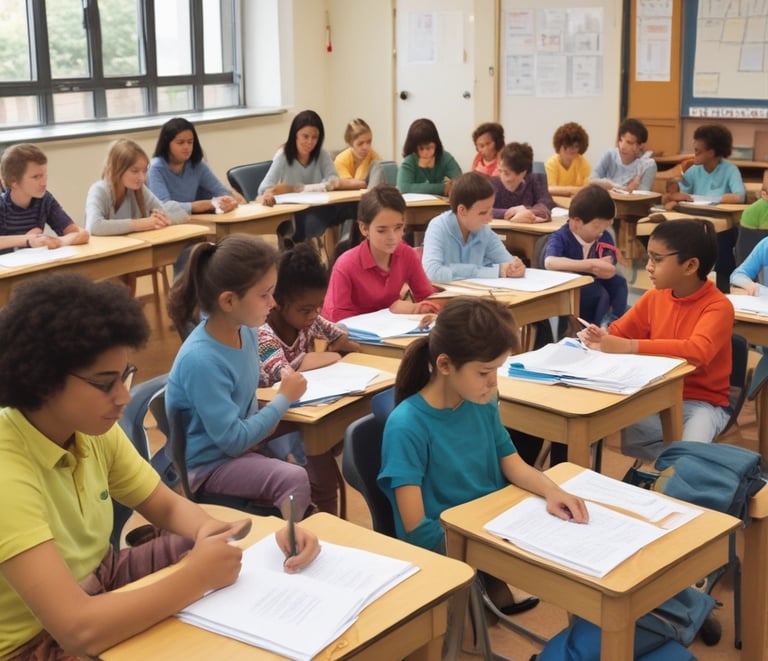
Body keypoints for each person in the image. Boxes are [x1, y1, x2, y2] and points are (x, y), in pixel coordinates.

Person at [0, 273, 319, 660]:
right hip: (32, 642)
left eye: (124, 377)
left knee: (217, 550)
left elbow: (165, 505)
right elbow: (77, 630)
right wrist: (195, 576)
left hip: (100, 578)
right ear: (42, 380)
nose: (123, 397)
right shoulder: (7, 469)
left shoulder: (89, 429)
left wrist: (261, 537)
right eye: (104, 383)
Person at [377, 297, 588, 611]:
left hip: (489, 526)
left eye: (497, 369)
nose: (493, 382)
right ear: (445, 365)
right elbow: (417, 529)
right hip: (449, 542)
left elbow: (513, 463)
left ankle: (492, 585)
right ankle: (487, 586)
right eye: (484, 372)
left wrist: (552, 490)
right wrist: (483, 550)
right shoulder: (407, 425)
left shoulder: (482, 401)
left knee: (576, 555)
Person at [165, 234, 314, 517]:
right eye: (264, 295)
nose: (273, 303)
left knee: (298, 456)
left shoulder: (247, 331)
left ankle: (297, 531)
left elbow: (245, 407)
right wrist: (284, 398)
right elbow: (233, 440)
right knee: (293, 478)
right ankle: (290, 541)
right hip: (209, 468)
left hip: (240, 451)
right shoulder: (202, 360)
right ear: (229, 301)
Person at [578, 219, 733, 462]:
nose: (648, 267)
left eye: (657, 260)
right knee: (590, 418)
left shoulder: (718, 307)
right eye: (649, 258)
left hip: (702, 404)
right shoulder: (655, 297)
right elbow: (618, 332)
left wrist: (630, 347)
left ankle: (676, 474)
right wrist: (600, 337)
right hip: (655, 395)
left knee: (687, 462)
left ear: (690, 265)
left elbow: (697, 351)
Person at [259, 244, 360, 514]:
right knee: (318, 479)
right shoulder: (263, 332)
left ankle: (327, 524)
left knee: (325, 480)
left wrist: (341, 347)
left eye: (318, 307)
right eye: (305, 310)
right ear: (278, 303)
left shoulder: (309, 319)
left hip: (307, 410)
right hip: (271, 423)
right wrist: (322, 357)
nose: (314, 315)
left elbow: (340, 337)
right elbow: (283, 374)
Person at [322, 184, 439, 322]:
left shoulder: (407, 255)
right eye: (382, 230)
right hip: (352, 333)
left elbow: (427, 297)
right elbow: (337, 319)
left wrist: (418, 308)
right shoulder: (346, 265)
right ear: (364, 229)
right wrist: (391, 312)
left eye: (398, 227)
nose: (392, 237)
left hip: (392, 330)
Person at [662, 124, 745, 293]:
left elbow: (739, 196)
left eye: (698, 151)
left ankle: (723, 289)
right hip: (695, 223)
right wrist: (674, 196)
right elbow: (680, 194)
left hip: (721, 225)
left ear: (711, 153)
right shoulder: (694, 170)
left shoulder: (729, 170)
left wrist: (710, 199)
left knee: (721, 243)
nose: (694, 155)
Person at [258, 110, 357, 243]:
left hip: (320, 207)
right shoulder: (283, 156)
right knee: (309, 222)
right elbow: (264, 188)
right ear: (295, 135)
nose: (310, 142)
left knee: (355, 207)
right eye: (305, 136)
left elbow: (333, 179)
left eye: (314, 137)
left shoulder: (321, 154)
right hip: (294, 212)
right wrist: (268, 194)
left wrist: (304, 188)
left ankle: (347, 247)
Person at [544, 184, 628, 326]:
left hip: (596, 280)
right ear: (576, 222)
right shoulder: (562, 236)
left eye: (605, 226)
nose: (601, 231)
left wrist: (607, 267)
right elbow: (550, 262)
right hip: (572, 286)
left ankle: (612, 323)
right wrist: (589, 265)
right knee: (599, 294)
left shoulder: (603, 236)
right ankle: (594, 328)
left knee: (619, 284)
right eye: (596, 226)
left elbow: (609, 262)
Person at [421, 171, 525, 282]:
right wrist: (491, 271)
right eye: (483, 213)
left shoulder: (484, 230)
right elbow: (432, 272)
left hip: (477, 292)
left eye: (491, 211)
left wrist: (515, 268)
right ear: (462, 210)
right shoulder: (438, 227)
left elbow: (507, 263)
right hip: (446, 293)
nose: (489, 219)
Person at [85, 138, 188, 235]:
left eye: (144, 171)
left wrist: (162, 219)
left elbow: (179, 214)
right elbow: (94, 226)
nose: (142, 178)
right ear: (117, 169)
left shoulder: (140, 189)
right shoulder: (99, 190)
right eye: (134, 171)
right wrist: (141, 224)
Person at [0, 143, 89, 253]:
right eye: (36, 177)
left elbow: (81, 234)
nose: (44, 182)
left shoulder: (45, 200)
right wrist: (27, 239)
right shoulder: (2, 205)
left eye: (44, 175)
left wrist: (58, 242)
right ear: (13, 182)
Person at [147, 116, 241, 215]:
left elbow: (221, 192)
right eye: (180, 143)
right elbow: (163, 207)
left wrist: (228, 201)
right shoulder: (155, 168)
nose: (186, 147)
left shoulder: (196, 163)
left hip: (193, 219)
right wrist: (204, 205)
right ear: (167, 145)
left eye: (190, 142)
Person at [396, 118, 462, 196]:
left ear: (436, 144)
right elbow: (404, 187)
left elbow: (461, 181)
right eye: (421, 148)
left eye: (429, 147)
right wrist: (443, 188)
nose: (425, 152)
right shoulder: (410, 161)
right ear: (414, 147)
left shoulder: (444, 157)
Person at [492, 142, 555, 223]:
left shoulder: (536, 180)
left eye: (507, 173)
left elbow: (546, 204)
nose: (502, 177)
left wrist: (528, 212)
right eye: (500, 171)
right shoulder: (493, 183)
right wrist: (511, 212)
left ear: (522, 172)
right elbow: (481, 209)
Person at [590, 118, 657, 193]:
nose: (622, 146)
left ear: (641, 146)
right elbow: (591, 181)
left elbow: (642, 196)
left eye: (629, 142)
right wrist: (620, 188)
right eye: (621, 140)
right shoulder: (610, 155)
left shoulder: (648, 165)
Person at [544, 122, 592, 196]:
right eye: (568, 145)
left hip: (577, 201)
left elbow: (587, 190)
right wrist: (574, 190)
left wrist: (563, 190)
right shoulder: (551, 164)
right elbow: (550, 189)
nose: (572, 149)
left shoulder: (584, 163)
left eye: (576, 146)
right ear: (559, 146)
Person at [333, 118, 382, 188]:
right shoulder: (340, 160)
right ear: (350, 144)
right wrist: (362, 183)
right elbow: (347, 185)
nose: (366, 147)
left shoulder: (374, 157)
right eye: (360, 143)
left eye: (369, 142)